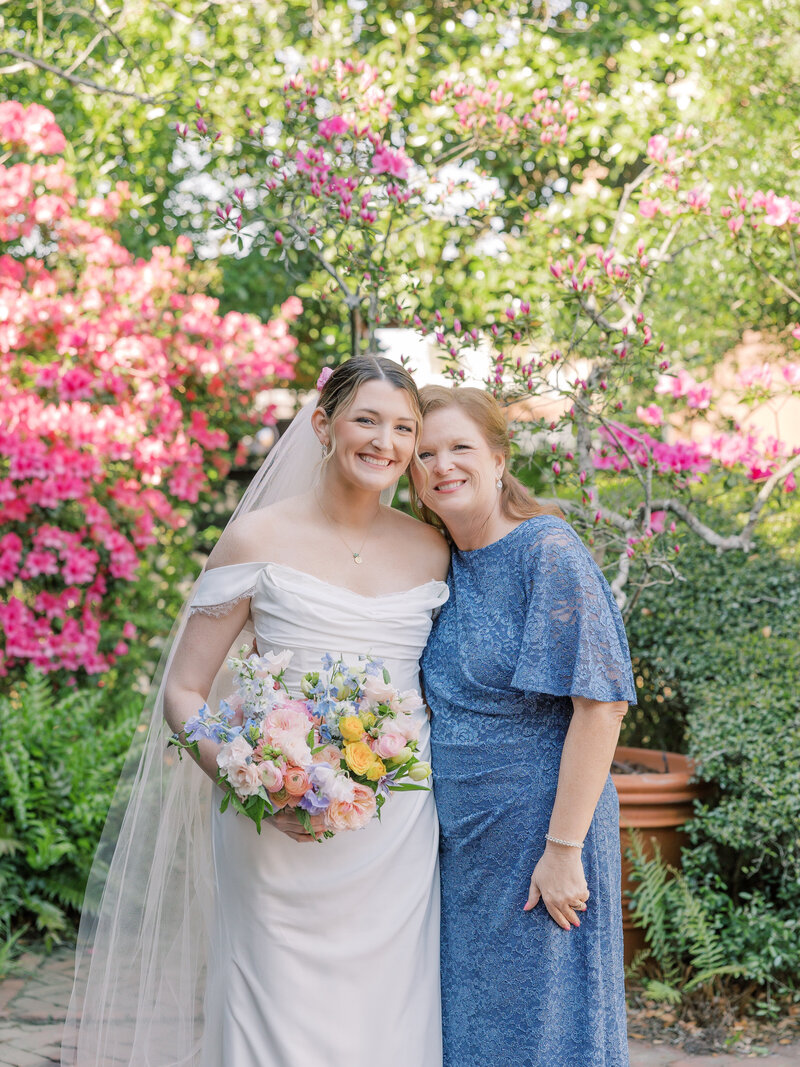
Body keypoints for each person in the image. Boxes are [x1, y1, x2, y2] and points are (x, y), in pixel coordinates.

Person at [62, 356, 449, 1067]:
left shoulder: (433, 549)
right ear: (323, 425)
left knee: (389, 1015)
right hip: (276, 828)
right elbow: (184, 690)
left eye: (403, 427)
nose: (384, 442)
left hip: (395, 834)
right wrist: (254, 783)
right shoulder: (256, 540)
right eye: (366, 419)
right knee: (272, 1013)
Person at [411, 385, 636, 1067]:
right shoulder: (438, 561)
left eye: (459, 447)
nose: (441, 464)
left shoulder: (547, 550)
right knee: (474, 1030)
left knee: (546, 1031)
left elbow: (602, 705)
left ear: (500, 458)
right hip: (464, 849)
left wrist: (563, 848)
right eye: (424, 453)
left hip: (544, 837)